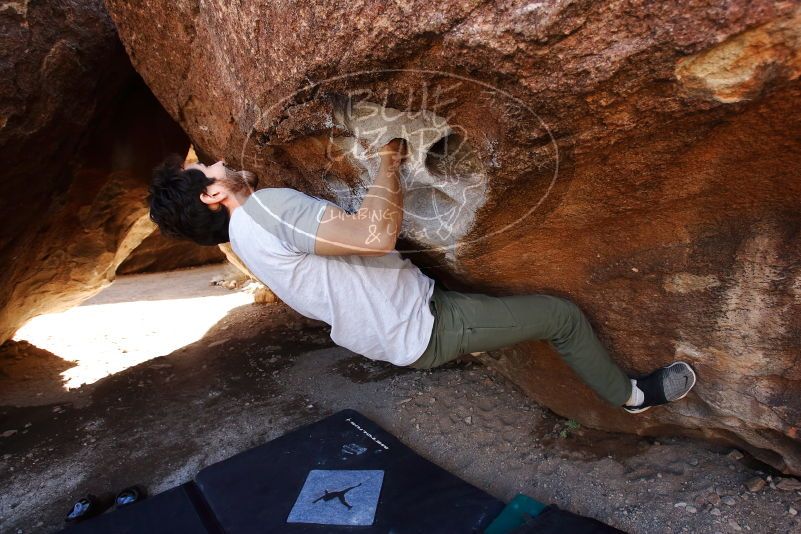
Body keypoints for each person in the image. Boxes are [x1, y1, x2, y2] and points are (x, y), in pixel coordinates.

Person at [148, 139, 696, 413]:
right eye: (208, 168)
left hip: (395, 327)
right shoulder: (265, 207)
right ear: (213, 194)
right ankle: (633, 397)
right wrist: (388, 157)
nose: (218, 162)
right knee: (561, 317)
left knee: (497, 311)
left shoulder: (246, 241)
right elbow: (374, 237)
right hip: (425, 325)